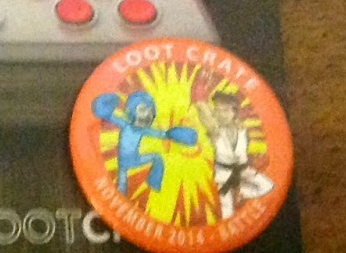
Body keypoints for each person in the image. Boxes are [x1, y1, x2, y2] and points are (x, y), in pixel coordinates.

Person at [92, 90, 198, 194]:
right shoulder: (125, 124)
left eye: (150, 111)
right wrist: (106, 103)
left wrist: (173, 134)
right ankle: (123, 192)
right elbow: (109, 116)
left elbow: (162, 134)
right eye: (142, 109)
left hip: (135, 159)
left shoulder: (143, 130)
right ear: (132, 110)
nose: (147, 114)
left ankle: (153, 182)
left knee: (157, 157)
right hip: (123, 162)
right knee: (121, 186)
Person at [195, 89, 276, 219]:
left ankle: (242, 192)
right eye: (218, 110)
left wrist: (243, 191)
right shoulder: (215, 131)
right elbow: (201, 108)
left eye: (225, 110)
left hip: (243, 170)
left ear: (234, 112)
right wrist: (201, 100)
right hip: (224, 174)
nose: (221, 114)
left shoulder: (242, 130)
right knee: (227, 211)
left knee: (267, 185)